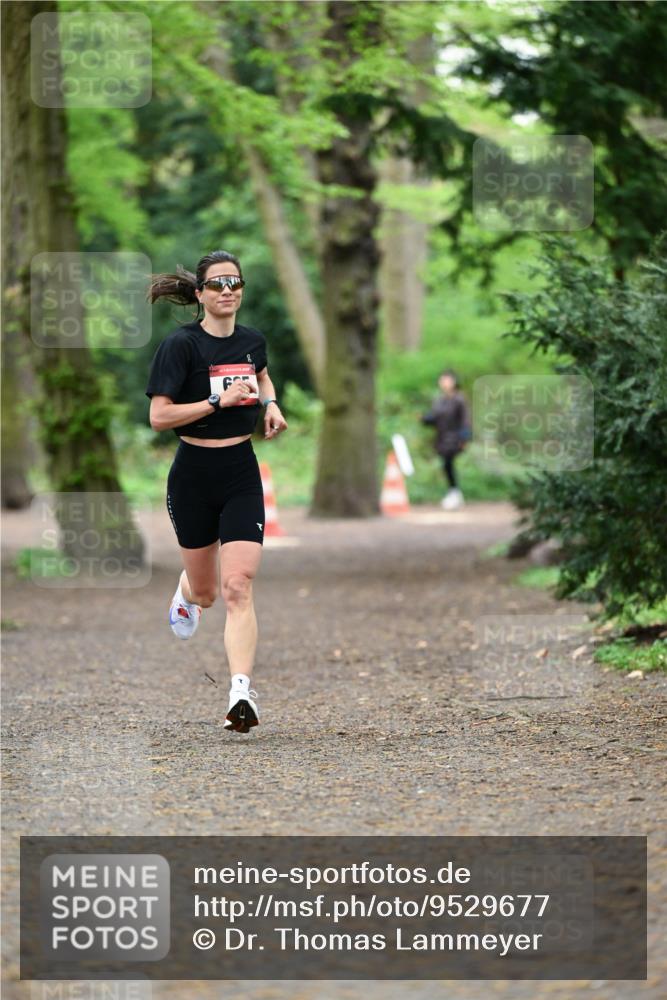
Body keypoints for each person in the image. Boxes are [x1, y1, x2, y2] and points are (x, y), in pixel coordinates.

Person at [146, 250, 288, 733]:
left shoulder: (252, 341)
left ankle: (240, 693)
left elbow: (261, 374)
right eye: (217, 284)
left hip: (240, 472)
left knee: (238, 585)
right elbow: (159, 417)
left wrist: (270, 404)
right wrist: (215, 401)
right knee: (207, 593)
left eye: (235, 282)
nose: (228, 291)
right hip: (193, 475)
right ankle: (187, 591)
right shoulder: (180, 346)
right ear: (200, 294)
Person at [421, 369, 471, 510]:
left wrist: (465, 437)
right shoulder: (440, 400)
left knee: (448, 463)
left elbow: (465, 419)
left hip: (455, 438)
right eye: (442, 380)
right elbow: (436, 418)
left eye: (447, 380)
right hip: (442, 438)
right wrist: (425, 419)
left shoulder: (459, 399)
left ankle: (454, 492)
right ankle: (454, 491)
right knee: (446, 464)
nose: (444, 383)